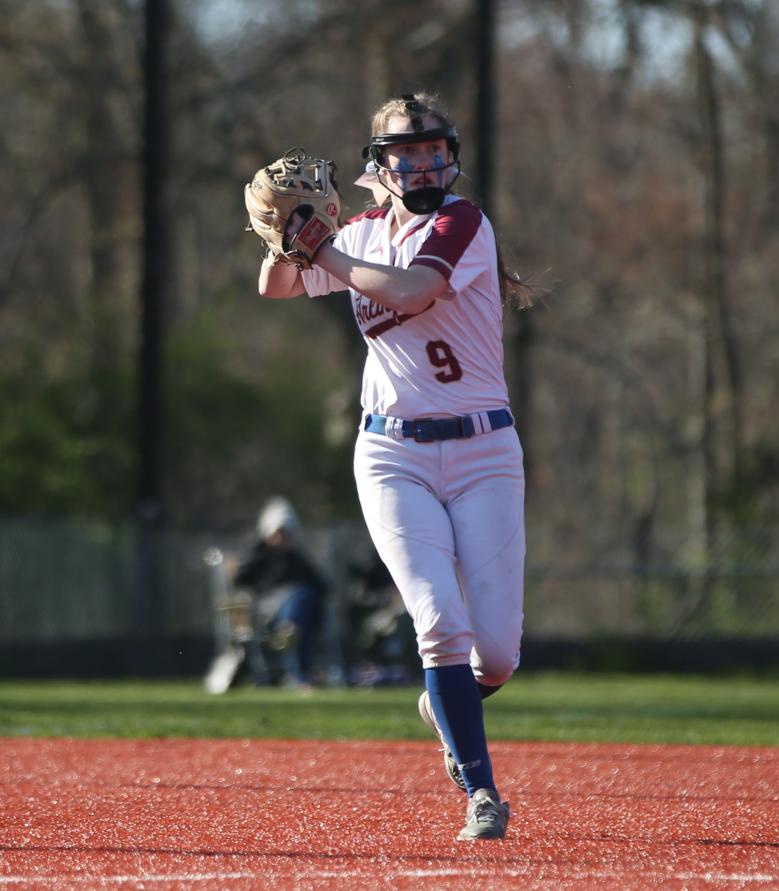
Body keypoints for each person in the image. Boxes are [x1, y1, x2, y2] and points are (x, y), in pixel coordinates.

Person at [256, 92, 531, 841]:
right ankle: (481, 791)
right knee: (439, 623)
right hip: (392, 453)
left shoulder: (462, 222)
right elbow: (275, 287)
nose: (424, 163)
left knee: (499, 653)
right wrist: (288, 241)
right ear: (380, 165)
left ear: (453, 155)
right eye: (406, 152)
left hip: (483, 452)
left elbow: (415, 290)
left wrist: (329, 250)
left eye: (434, 148)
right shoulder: (363, 230)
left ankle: (446, 698)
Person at [233, 496, 329, 691]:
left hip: (299, 614)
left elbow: (324, 586)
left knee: (301, 606)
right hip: (268, 612)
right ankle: (300, 669)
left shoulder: (297, 559)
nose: (282, 538)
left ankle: (291, 629)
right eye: (279, 533)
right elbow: (240, 581)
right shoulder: (258, 556)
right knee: (300, 602)